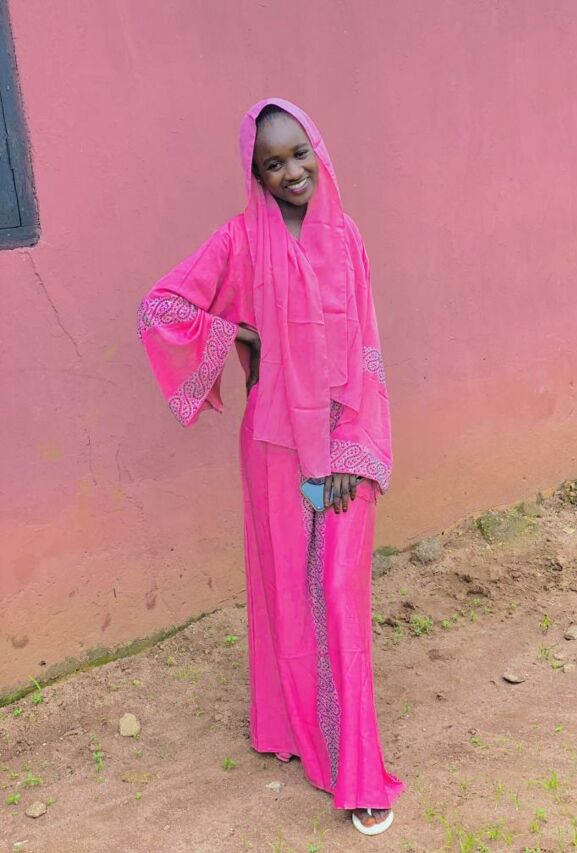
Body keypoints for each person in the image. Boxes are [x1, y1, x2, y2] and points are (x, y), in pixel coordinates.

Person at [137, 98, 404, 835]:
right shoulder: (239, 241)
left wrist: (352, 445)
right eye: (273, 163)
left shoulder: (347, 238)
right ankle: (291, 730)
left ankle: (358, 773)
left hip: (345, 442)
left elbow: (367, 347)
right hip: (274, 447)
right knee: (287, 593)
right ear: (255, 174)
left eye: (299, 153)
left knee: (339, 595)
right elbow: (160, 309)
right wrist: (237, 332)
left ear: (319, 148)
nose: (292, 172)